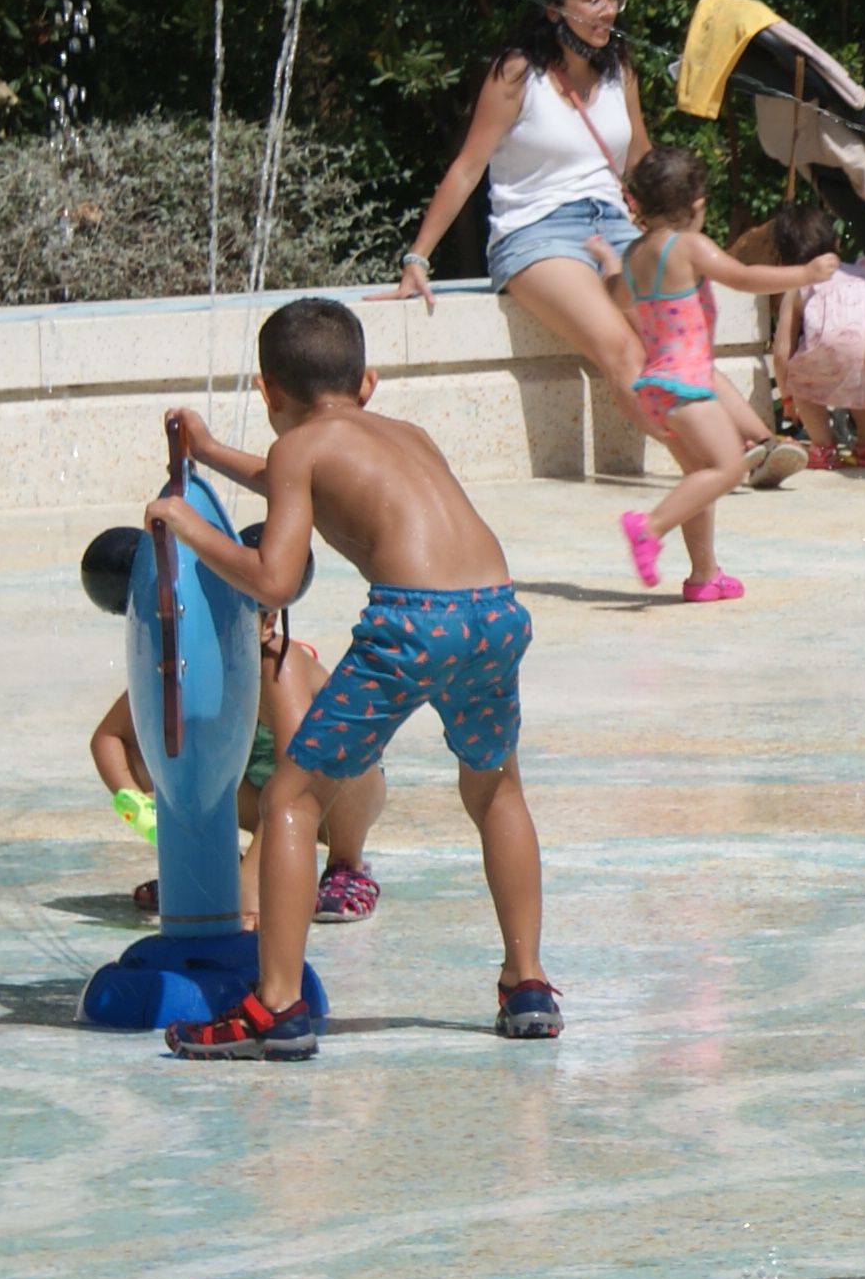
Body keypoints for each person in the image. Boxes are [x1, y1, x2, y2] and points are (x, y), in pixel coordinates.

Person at [146, 298, 558, 1056]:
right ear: (365, 383)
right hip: (496, 611)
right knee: (496, 787)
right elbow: (292, 474)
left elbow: (272, 579)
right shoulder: (408, 435)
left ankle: (275, 1006)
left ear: (270, 394)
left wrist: (188, 525)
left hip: (413, 623)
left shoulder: (302, 447)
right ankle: (526, 984)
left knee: (291, 798)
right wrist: (208, 452)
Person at [390, 0, 656, 436]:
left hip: (614, 224)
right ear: (554, 8)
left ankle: (746, 445)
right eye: (593, 0)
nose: (608, 12)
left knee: (672, 336)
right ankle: (709, 464)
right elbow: (468, 168)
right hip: (537, 232)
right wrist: (417, 257)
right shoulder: (518, 73)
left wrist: (675, 233)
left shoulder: (621, 69)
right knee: (620, 346)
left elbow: (641, 157)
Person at [82, 544, 380, 923]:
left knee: (344, 747)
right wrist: (139, 803)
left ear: (267, 625)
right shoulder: (187, 663)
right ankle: (212, 863)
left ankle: (346, 864)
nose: (215, 640)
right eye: (203, 625)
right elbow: (111, 739)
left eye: (229, 625)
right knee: (158, 752)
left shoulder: (278, 671)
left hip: (333, 794)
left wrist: (250, 892)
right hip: (257, 793)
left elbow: (297, 779)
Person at [593, 147, 836, 601]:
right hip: (687, 387)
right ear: (697, 205)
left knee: (699, 479)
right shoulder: (689, 246)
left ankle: (704, 575)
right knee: (727, 467)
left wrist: (608, 262)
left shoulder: (635, 255)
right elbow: (741, 277)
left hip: (656, 388)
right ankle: (649, 528)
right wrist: (804, 271)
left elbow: (615, 294)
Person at [765, 203, 865, 469]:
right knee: (863, 379)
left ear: (783, 261)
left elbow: (782, 351)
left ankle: (823, 448)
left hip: (840, 344)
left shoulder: (798, 285)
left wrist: (787, 397)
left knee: (801, 382)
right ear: (837, 243)